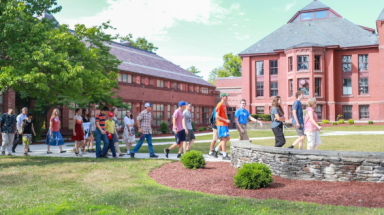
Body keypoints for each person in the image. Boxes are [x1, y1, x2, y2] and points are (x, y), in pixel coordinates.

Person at [211, 93, 231, 160]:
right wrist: (225, 120)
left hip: (224, 124)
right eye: (226, 96)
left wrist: (226, 120)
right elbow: (217, 116)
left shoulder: (224, 105)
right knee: (224, 139)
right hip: (221, 124)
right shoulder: (219, 104)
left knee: (227, 139)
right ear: (222, 97)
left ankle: (215, 149)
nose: (227, 97)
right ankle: (224, 155)